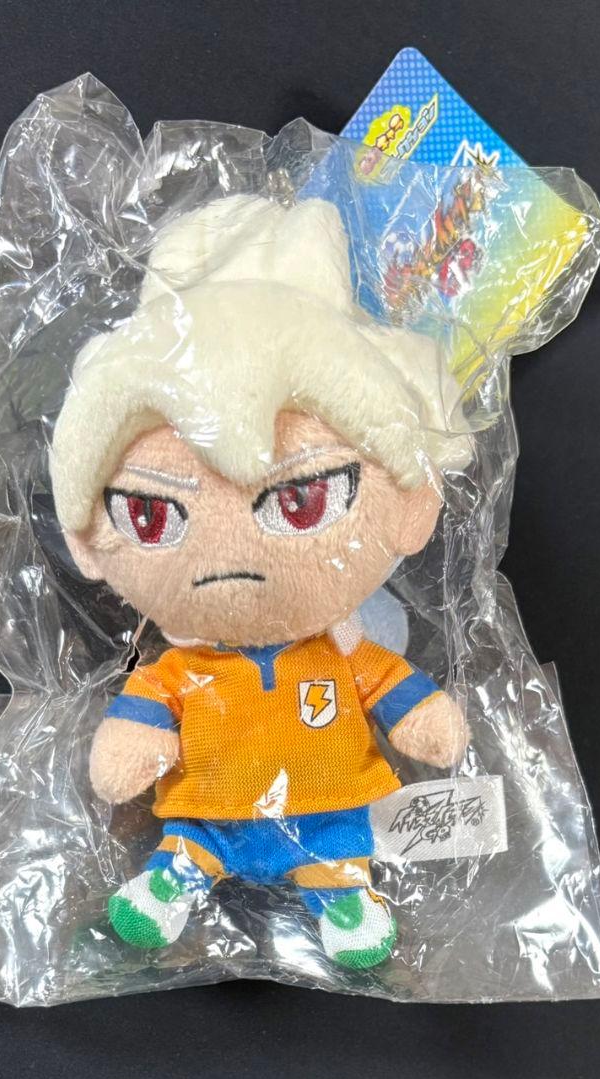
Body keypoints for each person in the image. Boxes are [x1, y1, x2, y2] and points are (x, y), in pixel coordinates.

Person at [51, 193, 472, 969]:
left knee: (336, 854)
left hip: (328, 814)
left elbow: (401, 697)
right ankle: (175, 878)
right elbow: (139, 727)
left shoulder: (344, 654)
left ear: (412, 511)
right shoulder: (180, 669)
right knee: (190, 844)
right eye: (152, 515)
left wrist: (427, 723)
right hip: (205, 815)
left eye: (301, 500)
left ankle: (342, 893)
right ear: (88, 541)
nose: (229, 552)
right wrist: (133, 745)